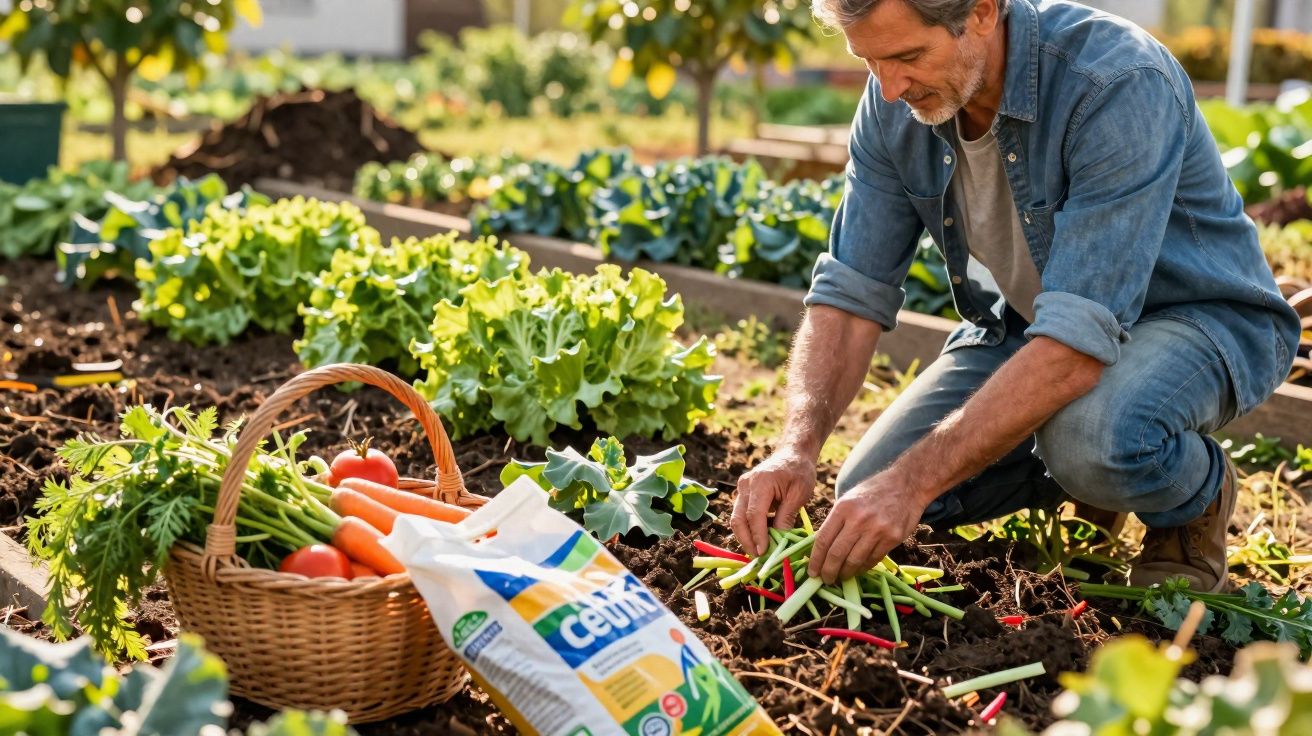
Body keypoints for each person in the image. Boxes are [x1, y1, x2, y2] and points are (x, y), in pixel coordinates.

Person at [730, 0, 1300, 593]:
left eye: (907, 57)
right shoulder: (892, 103)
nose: (890, 88)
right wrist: (794, 450)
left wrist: (913, 482)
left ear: (982, 12)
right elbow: (850, 295)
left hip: (1199, 318)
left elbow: (1077, 344)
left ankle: (1191, 495)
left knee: (1089, 440)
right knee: (865, 487)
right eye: (868, 60)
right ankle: (1093, 477)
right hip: (1039, 326)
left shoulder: (1116, 80)